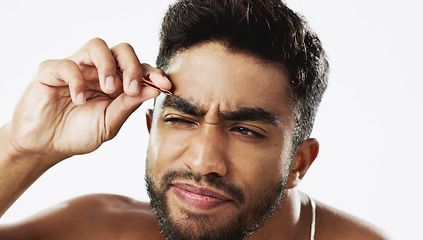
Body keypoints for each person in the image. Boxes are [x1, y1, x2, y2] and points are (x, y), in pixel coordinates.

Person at [0, 0, 390, 239]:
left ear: (298, 163)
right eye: (183, 120)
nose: (203, 161)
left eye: (245, 130)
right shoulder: (102, 229)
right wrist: (21, 148)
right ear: (151, 128)